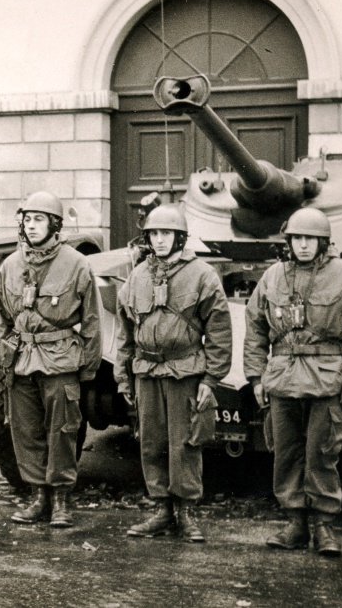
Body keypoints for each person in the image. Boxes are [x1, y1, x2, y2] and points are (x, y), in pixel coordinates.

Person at [245, 207, 342, 557]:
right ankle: (295, 524)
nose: (303, 245)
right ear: (288, 242)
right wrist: (256, 375)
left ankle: (323, 526)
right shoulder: (272, 276)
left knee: (323, 453)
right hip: (282, 378)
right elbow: (255, 328)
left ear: (324, 242)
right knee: (285, 453)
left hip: (327, 378)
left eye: (310, 239)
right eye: (297, 238)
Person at [114, 205, 232, 542]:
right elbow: (125, 332)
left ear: (180, 237)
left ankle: (186, 512)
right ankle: (162, 510)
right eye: (153, 234)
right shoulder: (137, 276)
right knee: (151, 443)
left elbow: (220, 332)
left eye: (166, 233)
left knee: (185, 443)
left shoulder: (203, 275)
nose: (159, 240)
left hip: (185, 372)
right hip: (147, 372)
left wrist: (211, 380)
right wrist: (123, 377)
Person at [0, 191, 101, 527]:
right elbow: (1, 319)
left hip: (60, 361)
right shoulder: (10, 266)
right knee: (26, 432)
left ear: (55, 224)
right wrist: (3, 358)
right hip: (21, 361)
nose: (32, 225)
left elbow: (92, 321)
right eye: (27, 219)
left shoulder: (76, 264)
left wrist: (88, 368)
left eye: (39, 219)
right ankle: (38, 496)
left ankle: (61, 500)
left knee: (62, 432)